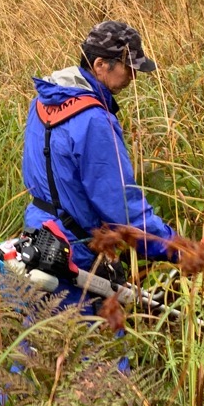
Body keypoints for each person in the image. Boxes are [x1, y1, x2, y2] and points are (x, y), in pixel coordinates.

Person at [17, 20, 178, 315]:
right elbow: (122, 209)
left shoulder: (41, 102)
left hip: (37, 237)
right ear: (101, 64)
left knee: (35, 342)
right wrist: (175, 246)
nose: (133, 76)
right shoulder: (94, 120)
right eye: (128, 67)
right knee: (97, 355)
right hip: (75, 252)